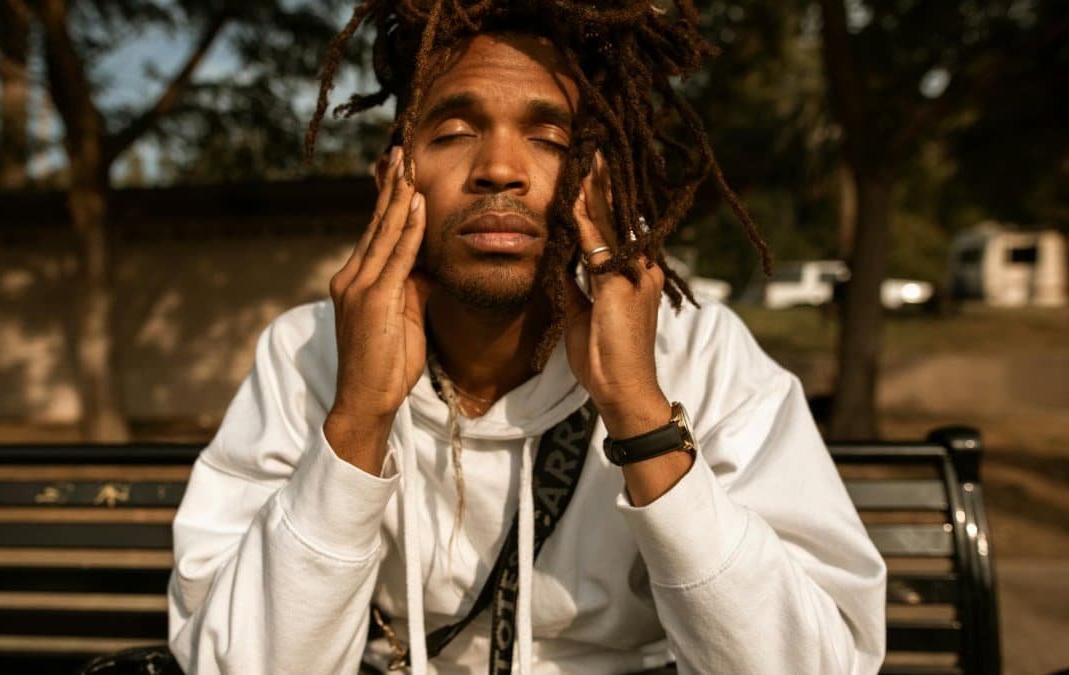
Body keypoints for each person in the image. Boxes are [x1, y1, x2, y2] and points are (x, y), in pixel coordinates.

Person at [168, 2, 886, 673]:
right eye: (452, 132)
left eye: (549, 138)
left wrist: (637, 410)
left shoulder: (696, 352)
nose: (501, 170)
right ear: (394, 173)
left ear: (599, 179)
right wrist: (357, 419)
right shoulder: (308, 351)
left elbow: (823, 661)